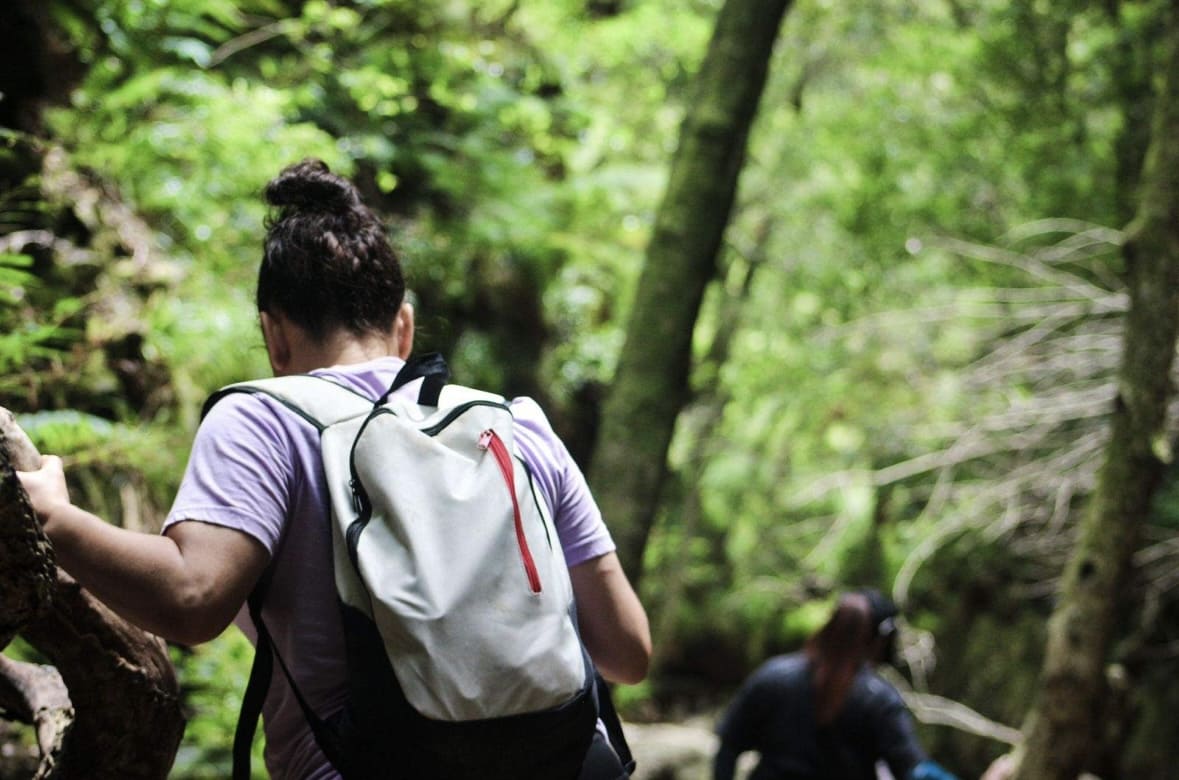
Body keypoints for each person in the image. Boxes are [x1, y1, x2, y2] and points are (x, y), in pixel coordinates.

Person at [16, 158, 652, 779]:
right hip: (562, 761)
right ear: (403, 325)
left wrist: (53, 518)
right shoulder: (516, 425)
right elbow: (626, 652)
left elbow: (192, 599)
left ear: (274, 335)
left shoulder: (265, 420)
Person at [713, 590, 956, 780]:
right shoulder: (877, 698)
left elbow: (729, 747)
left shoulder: (773, 675)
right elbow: (912, 770)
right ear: (879, 639)